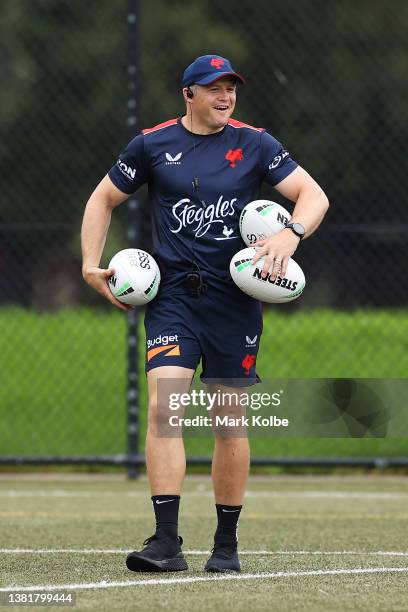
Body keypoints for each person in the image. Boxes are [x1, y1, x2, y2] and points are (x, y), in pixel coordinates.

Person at [81, 54, 329, 573]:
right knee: (164, 411)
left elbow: (313, 195)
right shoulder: (152, 144)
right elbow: (102, 200)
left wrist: (291, 232)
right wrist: (89, 265)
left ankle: (226, 547)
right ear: (188, 94)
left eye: (231, 87)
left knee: (228, 421)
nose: (225, 96)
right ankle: (166, 543)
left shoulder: (255, 143)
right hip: (172, 299)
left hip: (233, 301)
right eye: (214, 88)